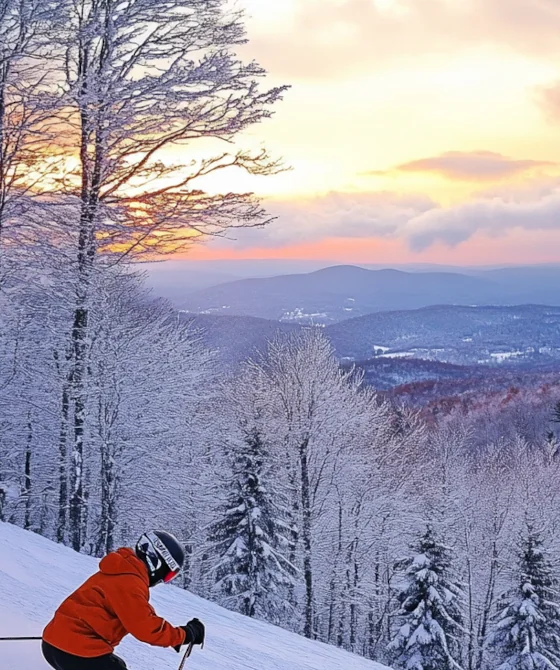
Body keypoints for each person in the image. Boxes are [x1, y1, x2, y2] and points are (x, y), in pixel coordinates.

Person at [41, 530, 205, 670]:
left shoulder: (120, 570)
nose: (163, 580)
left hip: (54, 643)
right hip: (77, 650)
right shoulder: (130, 583)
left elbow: (138, 615)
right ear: (158, 563)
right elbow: (146, 628)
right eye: (168, 575)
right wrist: (184, 635)